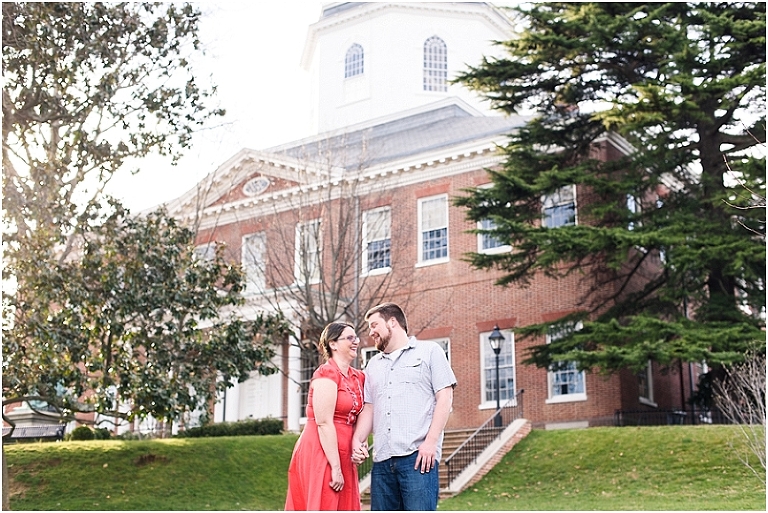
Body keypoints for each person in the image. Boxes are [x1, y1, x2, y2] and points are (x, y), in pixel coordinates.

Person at [351, 302, 457, 511]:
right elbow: (369, 408)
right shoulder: (373, 365)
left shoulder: (429, 352)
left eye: (374, 325)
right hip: (382, 461)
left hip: (417, 458)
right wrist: (357, 440)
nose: (371, 332)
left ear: (392, 322)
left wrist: (431, 443)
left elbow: (445, 397)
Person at [285, 322, 366, 511]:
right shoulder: (326, 373)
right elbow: (323, 423)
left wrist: (359, 444)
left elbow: (362, 413)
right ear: (333, 344)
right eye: (349, 338)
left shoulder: (358, 377)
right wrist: (335, 468)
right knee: (325, 503)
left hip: (345, 450)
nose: (355, 342)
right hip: (322, 449)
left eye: (356, 338)